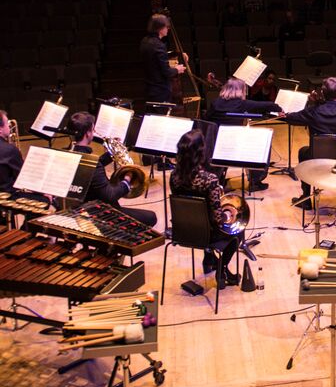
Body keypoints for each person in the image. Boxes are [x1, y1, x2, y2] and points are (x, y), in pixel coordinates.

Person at [170, 129, 240, 285]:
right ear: (200, 153)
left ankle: (209, 258)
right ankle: (222, 269)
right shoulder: (210, 179)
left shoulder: (174, 176)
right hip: (206, 235)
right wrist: (229, 214)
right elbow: (216, 219)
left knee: (200, 220)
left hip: (183, 231)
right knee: (237, 231)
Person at [283, 77, 336, 203]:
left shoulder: (312, 112)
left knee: (303, 151)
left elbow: (290, 117)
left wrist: (314, 104)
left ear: (322, 93)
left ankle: (306, 199)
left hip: (315, 158)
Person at [68, 112, 157, 228]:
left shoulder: (70, 153)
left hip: (82, 206)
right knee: (151, 217)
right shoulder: (93, 163)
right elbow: (110, 195)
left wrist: (111, 153)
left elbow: (90, 167)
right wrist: (127, 179)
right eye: (93, 129)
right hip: (100, 212)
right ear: (88, 133)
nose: (94, 133)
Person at [206, 78, 282, 191]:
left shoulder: (215, 103)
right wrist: (279, 109)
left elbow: (207, 119)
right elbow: (269, 105)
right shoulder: (241, 104)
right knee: (263, 141)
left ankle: (219, 179)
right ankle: (255, 181)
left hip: (215, 144)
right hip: (234, 145)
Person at [140, 13, 185, 104]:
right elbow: (166, 72)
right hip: (160, 91)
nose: (168, 29)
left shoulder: (145, 41)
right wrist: (177, 69)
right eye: (167, 26)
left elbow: (155, 58)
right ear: (160, 28)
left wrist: (177, 53)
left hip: (149, 88)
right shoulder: (159, 45)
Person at [0, 110, 22, 193]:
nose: (9, 127)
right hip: (6, 198)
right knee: (47, 200)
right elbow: (22, 178)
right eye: (7, 124)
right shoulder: (9, 150)